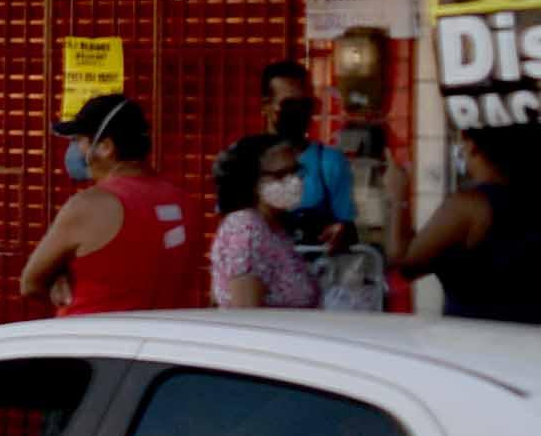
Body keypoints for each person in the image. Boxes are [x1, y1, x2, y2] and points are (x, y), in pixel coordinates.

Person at [18, 93, 196, 312]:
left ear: (105, 147)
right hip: (158, 340)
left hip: (94, 339)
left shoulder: (90, 205)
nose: (74, 150)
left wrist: (58, 280)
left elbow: (31, 283)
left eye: (78, 140)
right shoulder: (183, 200)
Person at [401, 125, 541, 323]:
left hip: (475, 341)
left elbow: (405, 264)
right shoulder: (540, 201)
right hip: (531, 336)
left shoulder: (468, 206)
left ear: (472, 146)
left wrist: (398, 198)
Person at [207, 133, 326, 310]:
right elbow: (247, 315)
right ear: (252, 181)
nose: (293, 181)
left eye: (295, 171)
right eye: (280, 175)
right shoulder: (246, 228)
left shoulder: (273, 227)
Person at [260, 59, 357, 244]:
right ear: (266, 105)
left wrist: (341, 232)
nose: (298, 112)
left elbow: (349, 229)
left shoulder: (330, 162)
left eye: (305, 104)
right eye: (289, 104)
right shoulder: (243, 161)